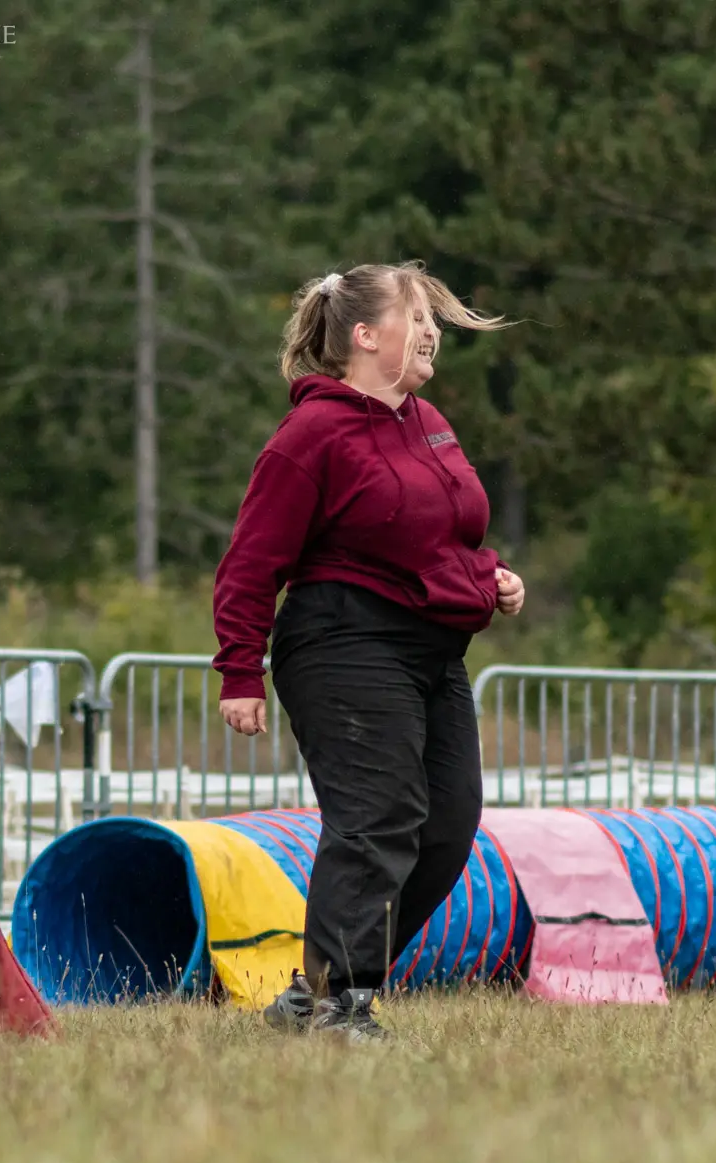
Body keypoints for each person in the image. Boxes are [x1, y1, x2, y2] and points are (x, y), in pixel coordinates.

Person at [211, 261, 525, 1041]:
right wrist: (239, 669)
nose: (432, 334)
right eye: (418, 317)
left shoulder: (429, 423)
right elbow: (251, 562)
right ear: (364, 334)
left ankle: (310, 991)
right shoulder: (311, 433)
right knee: (379, 816)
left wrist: (493, 579)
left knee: (449, 826)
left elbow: (440, 533)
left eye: (434, 322)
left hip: (432, 653)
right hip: (343, 642)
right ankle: (343, 1002)